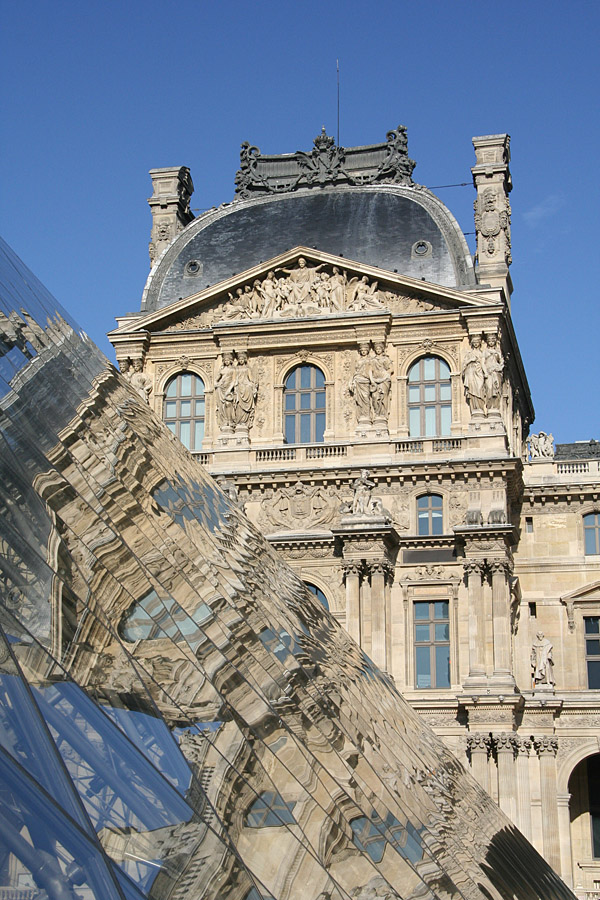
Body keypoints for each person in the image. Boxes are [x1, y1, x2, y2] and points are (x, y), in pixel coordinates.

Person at [462, 335, 486, 413]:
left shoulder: (482, 353)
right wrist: (471, 360)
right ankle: (475, 408)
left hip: (478, 373)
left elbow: (483, 364)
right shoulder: (469, 354)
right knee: (472, 390)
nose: (476, 344)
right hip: (470, 373)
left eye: (477, 342)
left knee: (479, 389)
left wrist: (485, 373)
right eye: (474, 342)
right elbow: (464, 365)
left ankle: (480, 408)